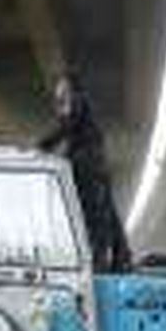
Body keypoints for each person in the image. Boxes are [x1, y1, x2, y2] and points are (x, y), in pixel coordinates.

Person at [37, 72, 132, 272]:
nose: (57, 90)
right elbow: (73, 134)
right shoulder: (79, 106)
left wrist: (43, 145)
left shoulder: (77, 101)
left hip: (88, 168)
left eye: (60, 85)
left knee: (95, 216)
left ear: (69, 86)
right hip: (95, 166)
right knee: (108, 214)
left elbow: (68, 127)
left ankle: (101, 262)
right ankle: (122, 257)